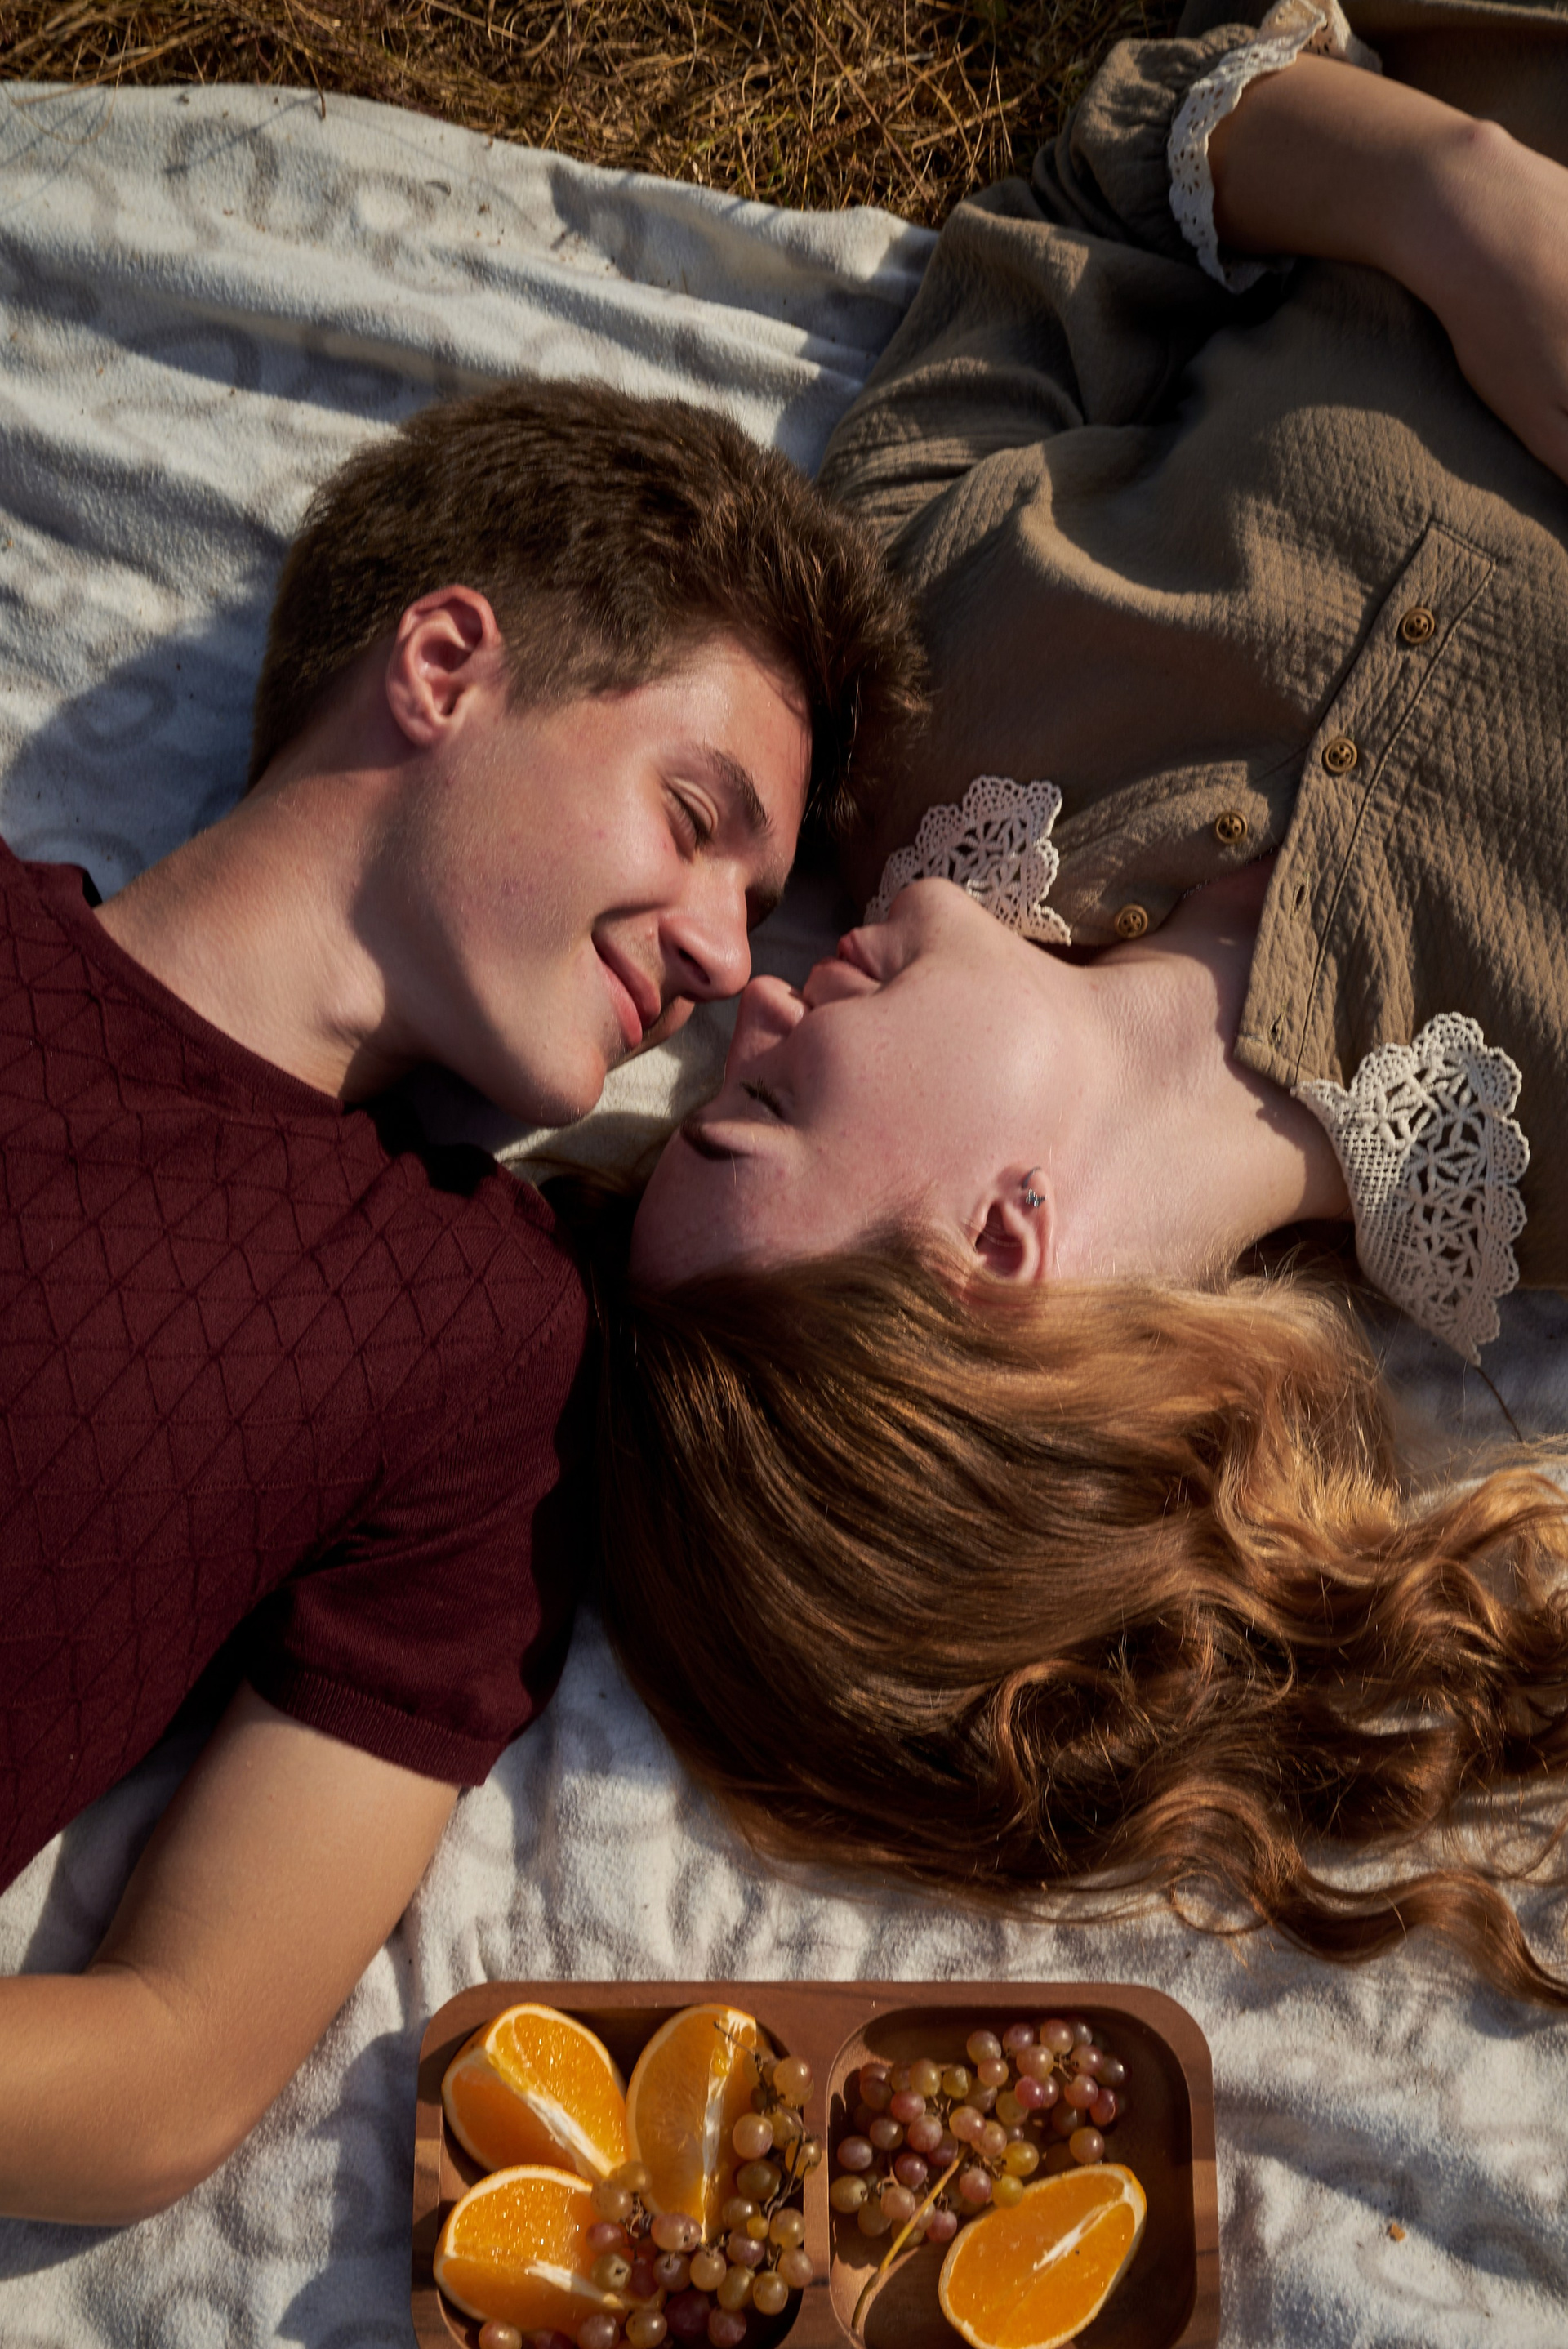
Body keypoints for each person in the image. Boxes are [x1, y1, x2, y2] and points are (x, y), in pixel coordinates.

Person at [604, 6, 1568, 2003]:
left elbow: (1118, 164)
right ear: (1001, 1248)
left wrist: (1463, 206)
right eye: (756, 1105)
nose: (747, 1004)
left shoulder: (913, 693)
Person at [0, 375, 919, 2222]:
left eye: (757, 901)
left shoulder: (480, 1345)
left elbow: (173, 2059)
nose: (726, 954)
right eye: (694, 816)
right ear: (443, 667)